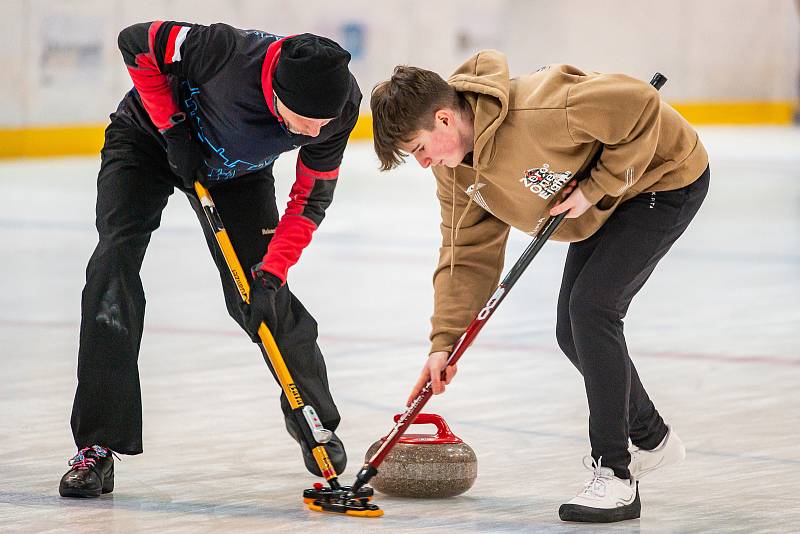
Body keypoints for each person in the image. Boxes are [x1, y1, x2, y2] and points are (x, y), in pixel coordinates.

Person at [370, 55, 709, 523]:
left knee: (592, 310)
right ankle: (651, 439)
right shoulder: (455, 173)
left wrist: (598, 186)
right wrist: (444, 343)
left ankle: (615, 474)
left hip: (663, 177)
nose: (424, 162)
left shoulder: (544, 108)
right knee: (571, 331)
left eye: (420, 148)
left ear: (444, 118)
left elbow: (641, 105)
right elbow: (464, 253)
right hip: (604, 207)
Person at [59, 21, 362, 498]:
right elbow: (137, 41)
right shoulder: (222, 52)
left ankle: (314, 421)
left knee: (263, 295)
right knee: (113, 263)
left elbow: (309, 199)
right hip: (148, 143)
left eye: (323, 124)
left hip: (238, 175)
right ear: (275, 92)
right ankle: (96, 446)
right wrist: (172, 128)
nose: (315, 132)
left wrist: (272, 272)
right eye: (304, 122)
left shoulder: (337, 109)